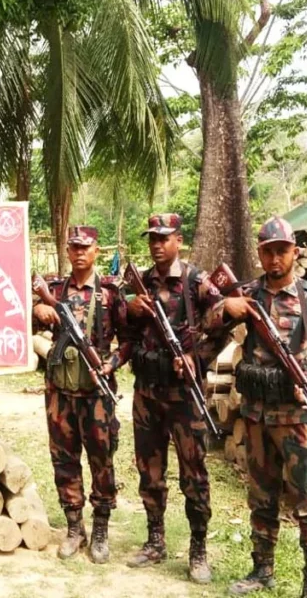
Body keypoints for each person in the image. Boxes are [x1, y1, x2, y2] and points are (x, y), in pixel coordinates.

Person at [223, 218, 307, 598]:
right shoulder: (247, 295)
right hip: (257, 417)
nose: (275, 258)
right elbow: (210, 328)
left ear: (294, 251)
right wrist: (225, 308)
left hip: (297, 420)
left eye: (282, 250)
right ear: (259, 252)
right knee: (261, 497)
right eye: (267, 250)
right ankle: (262, 570)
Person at [120, 213, 226, 583]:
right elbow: (124, 329)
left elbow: (224, 324)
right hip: (147, 391)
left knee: (193, 474)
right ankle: (155, 540)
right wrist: (129, 309)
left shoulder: (197, 281)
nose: (157, 244)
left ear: (179, 241)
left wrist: (196, 359)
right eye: (152, 238)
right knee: (149, 470)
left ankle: (198, 549)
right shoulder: (141, 282)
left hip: (184, 396)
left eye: (164, 238)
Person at [33, 226, 125, 563]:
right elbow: (25, 321)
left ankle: (100, 528)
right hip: (60, 392)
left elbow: (129, 339)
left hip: (96, 393)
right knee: (64, 459)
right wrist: (37, 312)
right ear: (69, 251)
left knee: (102, 459)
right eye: (74, 247)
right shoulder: (54, 288)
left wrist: (111, 363)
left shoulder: (111, 293)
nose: (79, 253)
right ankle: (75, 526)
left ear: (96, 251)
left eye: (86, 247)